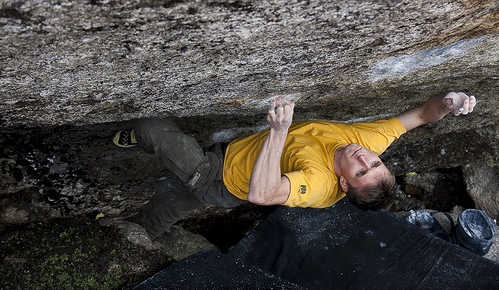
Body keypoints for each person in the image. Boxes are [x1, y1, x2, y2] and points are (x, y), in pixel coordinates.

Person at [113, 92, 476, 242]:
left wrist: (279, 131)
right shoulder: (368, 144)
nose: (364, 158)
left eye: (361, 171)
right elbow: (420, 116)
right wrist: (450, 102)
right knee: (169, 205)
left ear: (344, 185)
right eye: (375, 162)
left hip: (217, 177)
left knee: (151, 128)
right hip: (233, 155)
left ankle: (141, 145)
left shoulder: (318, 184)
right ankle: (141, 232)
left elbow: (262, 194)